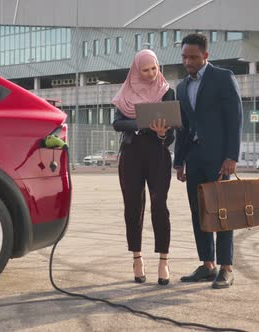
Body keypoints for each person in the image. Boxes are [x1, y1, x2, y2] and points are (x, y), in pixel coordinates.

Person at [173, 34, 243, 289]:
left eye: (193, 57)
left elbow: (235, 119)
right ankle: (207, 264)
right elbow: (183, 128)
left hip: (219, 159)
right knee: (198, 212)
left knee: (223, 213)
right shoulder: (181, 87)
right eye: (184, 57)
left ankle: (226, 268)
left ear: (205, 55)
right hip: (194, 158)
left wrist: (231, 157)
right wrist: (179, 162)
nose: (188, 62)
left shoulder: (223, 77)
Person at [112, 49, 175, 286]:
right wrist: (141, 123)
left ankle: (163, 260)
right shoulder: (126, 92)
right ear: (137, 70)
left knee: (159, 205)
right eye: (145, 70)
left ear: (159, 67)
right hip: (131, 154)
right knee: (132, 206)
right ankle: (137, 258)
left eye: (154, 69)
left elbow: (173, 132)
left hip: (158, 153)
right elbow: (117, 122)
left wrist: (161, 134)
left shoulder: (167, 92)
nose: (150, 74)